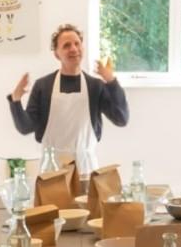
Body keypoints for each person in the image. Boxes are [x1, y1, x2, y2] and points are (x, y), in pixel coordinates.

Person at [7, 23, 129, 172]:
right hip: (52, 168)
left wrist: (111, 82)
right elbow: (25, 127)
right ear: (56, 54)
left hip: (86, 168)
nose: (74, 49)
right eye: (66, 45)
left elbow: (121, 119)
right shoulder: (43, 86)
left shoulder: (95, 86)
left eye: (77, 43)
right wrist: (16, 100)